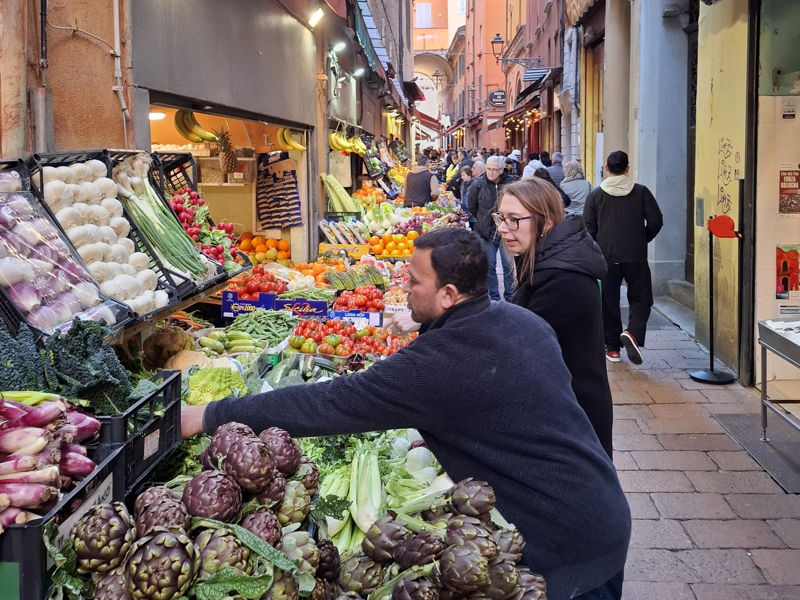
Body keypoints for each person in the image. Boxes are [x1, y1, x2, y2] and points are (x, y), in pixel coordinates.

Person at [182, 228, 631, 600]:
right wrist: (431, 321)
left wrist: (209, 415)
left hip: (562, 546)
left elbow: (326, 402)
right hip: (602, 506)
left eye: (414, 282)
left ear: (450, 294)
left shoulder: (437, 365)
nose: (405, 288)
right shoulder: (522, 322)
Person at [495, 178, 613, 458]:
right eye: (501, 217)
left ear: (545, 222)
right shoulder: (546, 258)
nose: (502, 228)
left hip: (571, 424)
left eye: (514, 220)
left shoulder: (563, 280)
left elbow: (519, 347)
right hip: (564, 415)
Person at [584, 150, 663, 364]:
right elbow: (656, 221)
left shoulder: (596, 195)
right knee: (641, 297)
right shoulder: (641, 192)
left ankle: (612, 348)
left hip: (606, 256)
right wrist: (640, 239)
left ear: (607, 169)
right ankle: (633, 333)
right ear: (627, 168)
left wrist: (597, 248)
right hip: (635, 255)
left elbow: (589, 228)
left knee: (608, 300)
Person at [467, 155, 517, 301]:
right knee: (489, 265)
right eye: (488, 169)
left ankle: (510, 298)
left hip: (507, 230)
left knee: (508, 267)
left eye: (494, 170)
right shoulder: (478, 184)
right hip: (486, 231)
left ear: (501, 170)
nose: (491, 172)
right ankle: (494, 298)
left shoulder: (511, 184)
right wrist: (483, 220)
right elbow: (472, 206)